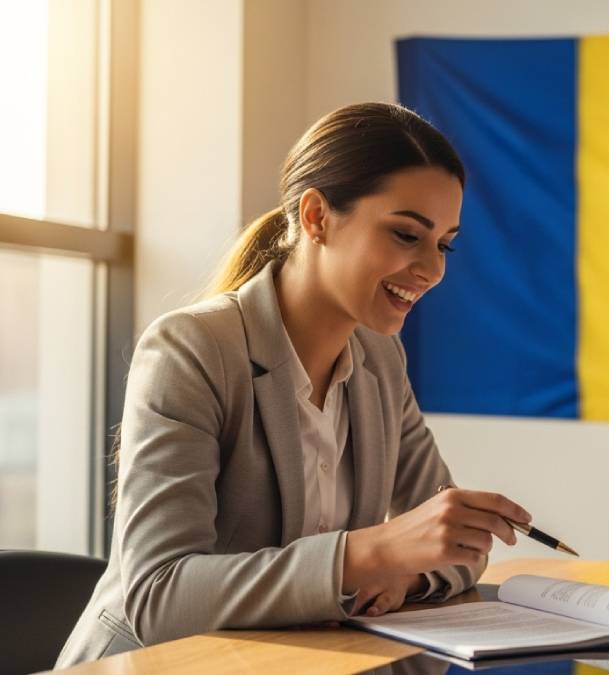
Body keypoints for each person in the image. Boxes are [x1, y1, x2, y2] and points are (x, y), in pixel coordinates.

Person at [58, 103, 532, 666]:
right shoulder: (191, 349)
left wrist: (402, 576)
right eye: (407, 234)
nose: (433, 269)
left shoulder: (380, 359)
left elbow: (448, 543)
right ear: (316, 217)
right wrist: (367, 554)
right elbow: (160, 596)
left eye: (444, 243)